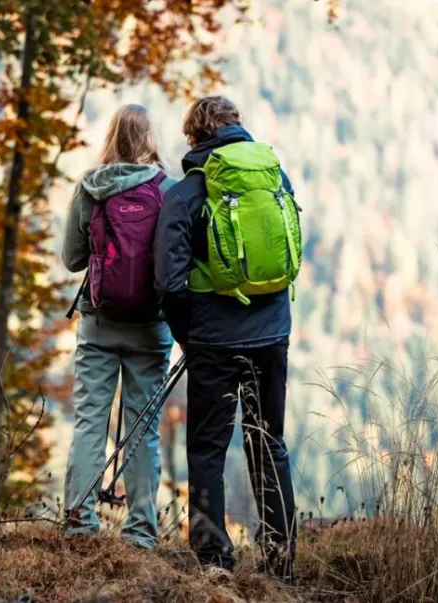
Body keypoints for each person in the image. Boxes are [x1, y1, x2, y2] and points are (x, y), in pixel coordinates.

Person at [153, 96, 298, 581]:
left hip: (214, 339)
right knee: (267, 441)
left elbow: (170, 284)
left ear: (194, 137)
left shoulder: (186, 194)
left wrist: (187, 337)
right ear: (238, 128)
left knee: (208, 448)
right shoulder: (275, 177)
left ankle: (214, 562)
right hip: (273, 333)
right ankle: (279, 558)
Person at [61, 103, 176, 550]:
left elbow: (72, 259)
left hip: (98, 324)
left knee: (91, 420)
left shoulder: (91, 187)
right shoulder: (168, 190)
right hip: (152, 328)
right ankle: (142, 530)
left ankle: (78, 521)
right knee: (143, 427)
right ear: (149, 140)